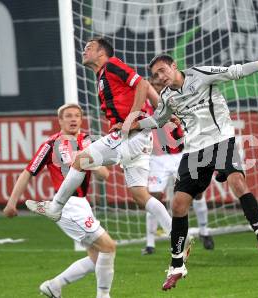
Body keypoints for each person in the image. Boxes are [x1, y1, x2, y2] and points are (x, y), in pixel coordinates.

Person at [126, 50, 258, 290]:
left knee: (237, 182)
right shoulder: (166, 97)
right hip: (194, 151)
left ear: (174, 66)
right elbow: (158, 119)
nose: (160, 76)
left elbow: (237, 71)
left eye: (163, 70)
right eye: (156, 75)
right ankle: (177, 265)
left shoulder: (200, 74)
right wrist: (135, 126)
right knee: (178, 204)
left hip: (221, 141)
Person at [25, 37, 173, 240]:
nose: (84, 51)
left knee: (80, 160)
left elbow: (142, 83)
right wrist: (163, 109)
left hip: (129, 136)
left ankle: (56, 206)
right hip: (139, 139)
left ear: (101, 53)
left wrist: (130, 118)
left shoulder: (111, 65)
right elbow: (146, 87)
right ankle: (177, 233)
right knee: (140, 195)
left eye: (89, 48)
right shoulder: (102, 76)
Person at [3, 103, 115, 298]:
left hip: (83, 204)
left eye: (77, 116)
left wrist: (87, 159)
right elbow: (28, 172)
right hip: (67, 206)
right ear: (60, 121)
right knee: (109, 246)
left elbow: (105, 174)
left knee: (97, 257)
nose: (73, 119)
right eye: (68, 116)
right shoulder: (51, 144)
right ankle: (103, 295)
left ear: (81, 120)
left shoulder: (88, 142)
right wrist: (12, 203)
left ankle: (54, 285)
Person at [142, 77, 214, 256]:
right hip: (157, 158)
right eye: (153, 86)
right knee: (154, 199)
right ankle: (150, 243)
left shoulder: (176, 101)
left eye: (159, 85)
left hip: (181, 155)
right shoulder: (143, 109)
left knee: (196, 193)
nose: (157, 89)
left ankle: (204, 231)